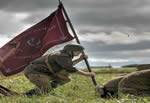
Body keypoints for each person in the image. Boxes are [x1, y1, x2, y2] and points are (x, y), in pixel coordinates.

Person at [24, 44, 95, 96]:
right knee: (46, 90)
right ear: (71, 51)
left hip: (44, 73)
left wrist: (80, 59)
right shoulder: (62, 56)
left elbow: (68, 64)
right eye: (78, 51)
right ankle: (26, 95)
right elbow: (70, 68)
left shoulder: (64, 55)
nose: (80, 53)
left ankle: (46, 89)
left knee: (65, 78)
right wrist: (86, 74)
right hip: (35, 72)